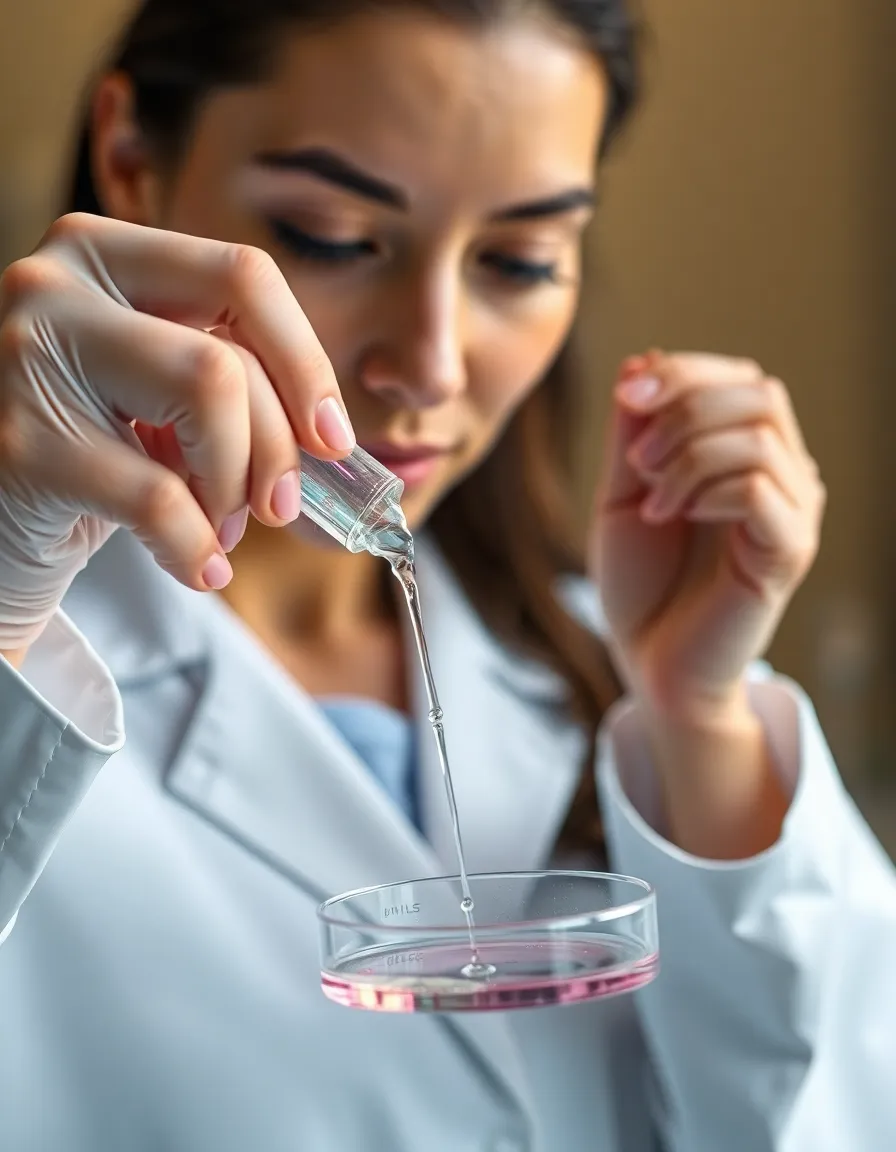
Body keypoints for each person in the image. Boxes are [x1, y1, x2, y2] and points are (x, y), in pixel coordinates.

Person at [0, 1, 894, 1149]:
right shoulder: (22, 649)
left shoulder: (608, 671)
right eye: (332, 234)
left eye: (520, 262)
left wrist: (695, 719)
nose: (426, 365)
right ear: (132, 158)